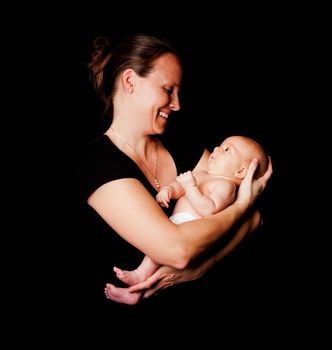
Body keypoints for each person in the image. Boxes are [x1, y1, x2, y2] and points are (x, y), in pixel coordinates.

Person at [73, 33, 272, 316]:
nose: (177, 104)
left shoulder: (183, 146)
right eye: (168, 90)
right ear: (130, 82)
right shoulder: (96, 162)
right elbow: (178, 251)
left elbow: (255, 220)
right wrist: (242, 204)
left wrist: (199, 269)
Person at [104, 135, 268, 304]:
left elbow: (210, 208)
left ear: (240, 171)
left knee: (157, 257)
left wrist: (191, 187)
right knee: (155, 254)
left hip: (193, 232)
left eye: (227, 150)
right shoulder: (203, 173)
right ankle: (136, 288)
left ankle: (138, 279)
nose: (217, 149)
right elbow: (179, 185)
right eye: (220, 145)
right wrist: (169, 190)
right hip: (177, 225)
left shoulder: (226, 186)